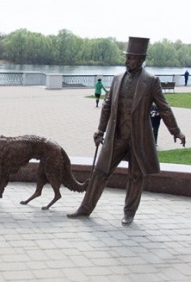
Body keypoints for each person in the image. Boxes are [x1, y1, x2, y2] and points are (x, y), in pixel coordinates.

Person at [67, 37, 186, 226]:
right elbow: (107, 107)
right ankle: (85, 208)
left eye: (130, 57)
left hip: (139, 138)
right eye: (127, 57)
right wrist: (100, 130)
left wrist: (176, 131)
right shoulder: (116, 79)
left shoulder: (151, 82)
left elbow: (164, 108)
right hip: (117, 137)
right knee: (100, 171)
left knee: (136, 176)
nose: (126, 60)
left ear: (140, 59)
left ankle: (129, 213)